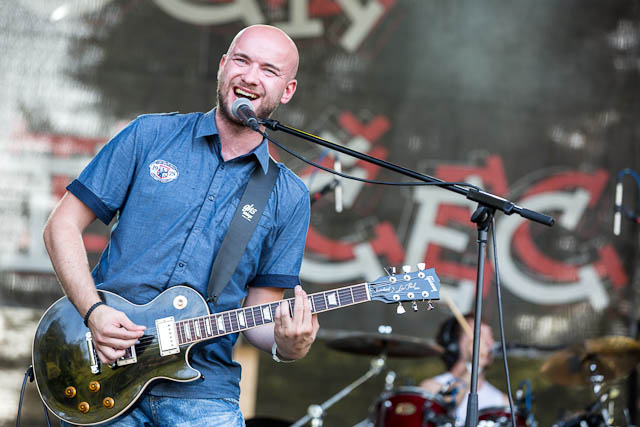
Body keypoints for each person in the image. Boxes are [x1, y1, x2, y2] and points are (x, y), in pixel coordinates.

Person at [42, 25, 318, 426]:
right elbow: (61, 226)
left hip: (203, 391)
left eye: (269, 70)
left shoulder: (287, 195)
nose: (250, 76)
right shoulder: (150, 135)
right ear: (223, 67)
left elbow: (260, 310)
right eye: (241, 60)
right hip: (103, 365)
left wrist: (288, 345)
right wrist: (94, 312)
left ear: (287, 90)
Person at [420, 314, 508, 424]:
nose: (488, 343)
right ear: (456, 343)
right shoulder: (430, 388)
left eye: (490, 336)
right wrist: (475, 364)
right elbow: (447, 404)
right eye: (479, 335)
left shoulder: (503, 402)